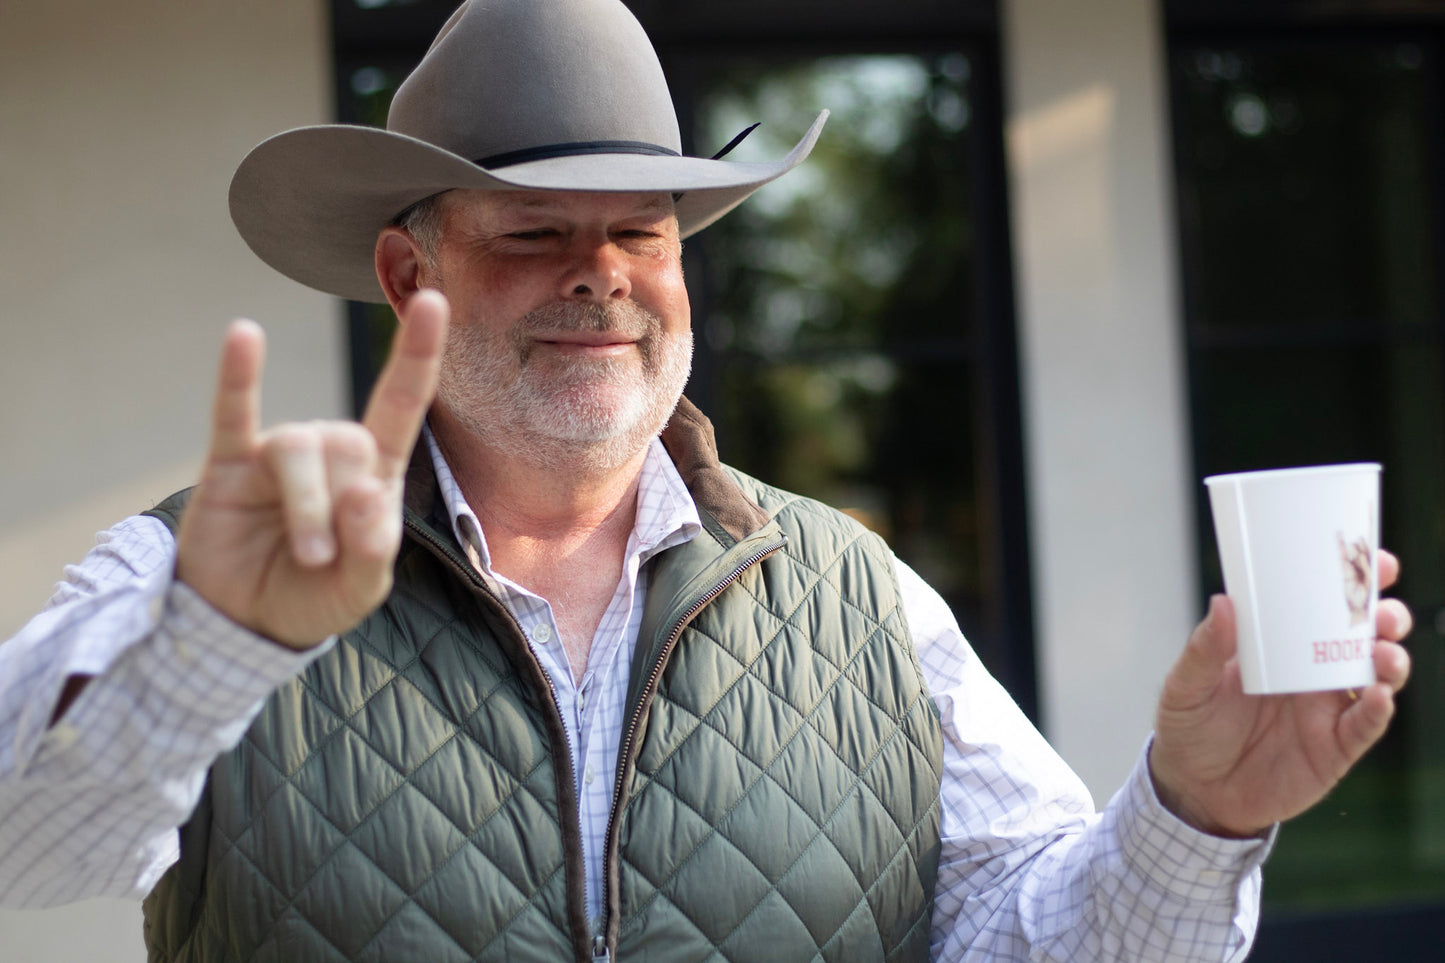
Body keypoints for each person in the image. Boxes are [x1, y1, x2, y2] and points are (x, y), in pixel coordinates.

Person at [0, 0, 1414, 960]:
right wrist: (209, 644)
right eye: (533, 232)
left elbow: (1029, 939)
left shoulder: (857, 590)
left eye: (642, 230)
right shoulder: (212, 573)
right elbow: (22, 851)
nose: (600, 275)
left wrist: (1196, 814)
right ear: (405, 271)